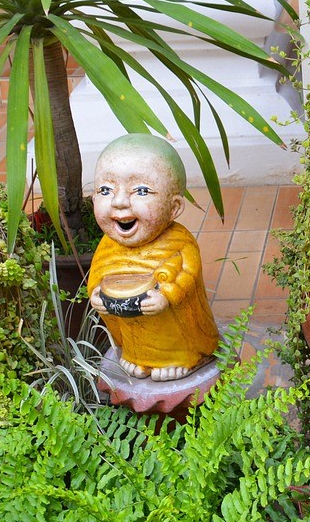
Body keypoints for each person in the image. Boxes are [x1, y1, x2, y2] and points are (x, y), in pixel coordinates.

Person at [87, 134, 219, 381]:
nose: (119, 202)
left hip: (175, 338)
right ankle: (137, 356)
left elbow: (186, 275)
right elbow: (97, 274)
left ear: (174, 208)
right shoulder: (108, 245)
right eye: (106, 190)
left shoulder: (180, 243)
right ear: (94, 198)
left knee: (170, 327)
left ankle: (184, 358)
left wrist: (168, 296)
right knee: (134, 332)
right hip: (134, 337)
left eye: (141, 190)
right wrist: (96, 293)